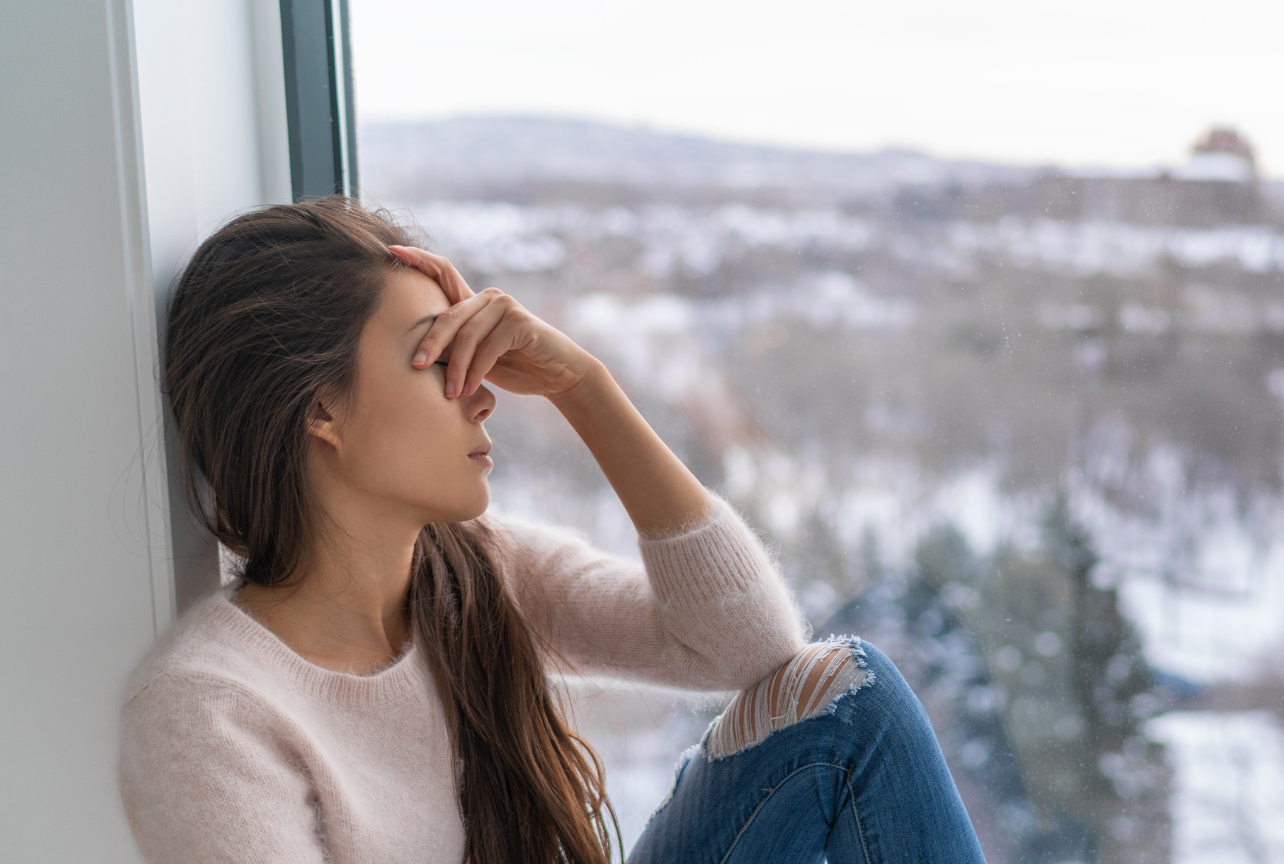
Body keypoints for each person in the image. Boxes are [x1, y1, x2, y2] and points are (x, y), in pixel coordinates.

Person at [119, 196, 987, 864]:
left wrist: (584, 385)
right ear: (321, 409)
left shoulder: (475, 571)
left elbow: (749, 648)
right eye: (440, 357)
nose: (486, 389)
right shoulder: (211, 709)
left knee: (850, 695)